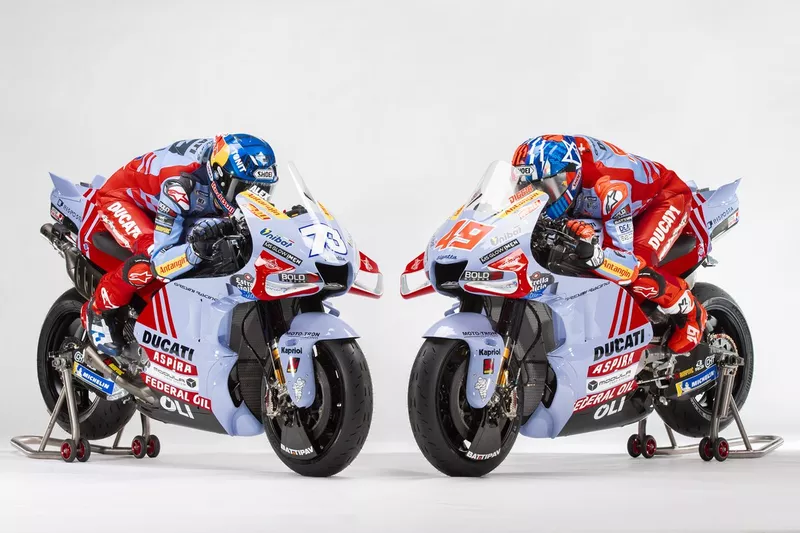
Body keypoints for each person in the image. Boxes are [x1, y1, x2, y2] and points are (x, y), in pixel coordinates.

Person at [80, 134, 279, 356]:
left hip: (179, 204)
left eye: (261, 191)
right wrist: (194, 251)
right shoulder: (180, 186)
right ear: (220, 176)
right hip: (122, 199)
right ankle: (98, 309)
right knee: (149, 258)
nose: (250, 197)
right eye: (242, 189)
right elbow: (161, 263)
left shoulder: (222, 167)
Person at [511, 134, 707, 353]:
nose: (540, 195)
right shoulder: (554, 163)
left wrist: (597, 257)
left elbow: (627, 264)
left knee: (634, 268)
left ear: (571, 177)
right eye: (528, 187)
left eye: (547, 188)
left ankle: (690, 310)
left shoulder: (610, 188)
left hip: (664, 199)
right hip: (605, 207)